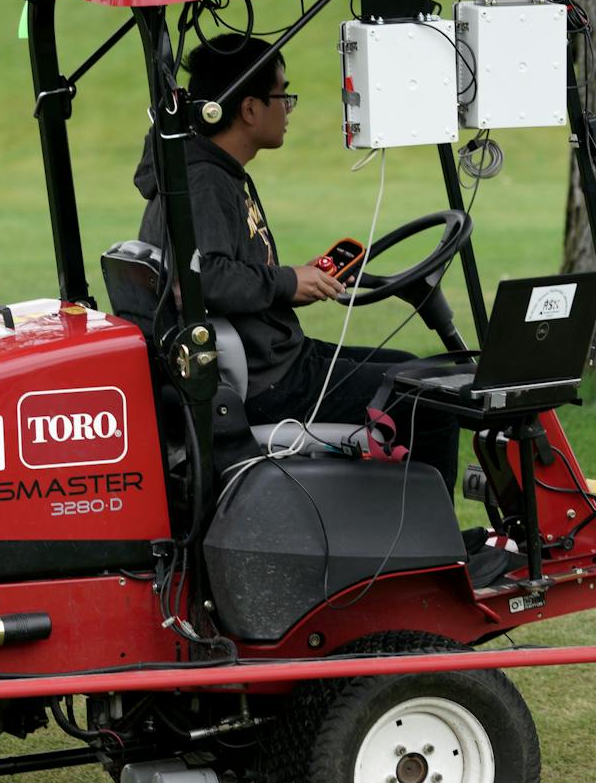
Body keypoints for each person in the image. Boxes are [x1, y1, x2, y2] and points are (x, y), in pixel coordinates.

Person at [132, 33, 459, 494]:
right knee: (431, 398)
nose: (288, 107)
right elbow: (204, 279)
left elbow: (224, 269)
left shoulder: (213, 173)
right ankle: (436, 538)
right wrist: (286, 282)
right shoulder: (204, 183)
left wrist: (298, 281)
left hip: (275, 357)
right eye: (282, 95)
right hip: (272, 384)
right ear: (249, 109)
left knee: (413, 370)